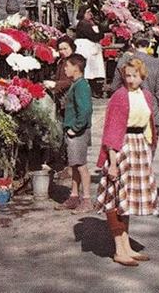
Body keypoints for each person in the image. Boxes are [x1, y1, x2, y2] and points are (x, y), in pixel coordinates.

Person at [95, 58, 159, 267]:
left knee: (128, 200)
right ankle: (118, 249)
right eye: (127, 75)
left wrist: (150, 149)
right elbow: (112, 131)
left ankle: (127, 246)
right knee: (116, 199)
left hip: (139, 146)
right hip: (122, 147)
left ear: (142, 76)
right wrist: (112, 163)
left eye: (134, 75)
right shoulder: (119, 97)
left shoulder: (146, 95)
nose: (130, 79)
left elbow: (149, 124)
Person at [55, 54, 94, 213]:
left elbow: (85, 110)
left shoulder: (81, 86)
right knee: (75, 165)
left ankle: (86, 200)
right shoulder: (76, 84)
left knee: (81, 166)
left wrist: (75, 128)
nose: (65, 69)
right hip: (74, 131)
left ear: (76, 68)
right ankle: (74, 196)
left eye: (67, 66)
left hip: (78, 132)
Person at [111, 34, 159, 132]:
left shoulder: (124, 62)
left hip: (128, 113)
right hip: (151, 113)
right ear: (149, 45)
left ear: (133, 45)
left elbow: (114, 87)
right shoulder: (158, 64)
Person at [74, 7, 106, 93]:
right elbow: (93, 36)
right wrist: (99, 34)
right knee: (88, 69)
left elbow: (99, 34)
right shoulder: (83, 24)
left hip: (92, 48)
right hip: (85, 48)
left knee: (93, 69)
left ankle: (95, 88)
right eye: (88, 12)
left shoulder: (91, 23)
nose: (90, 14)